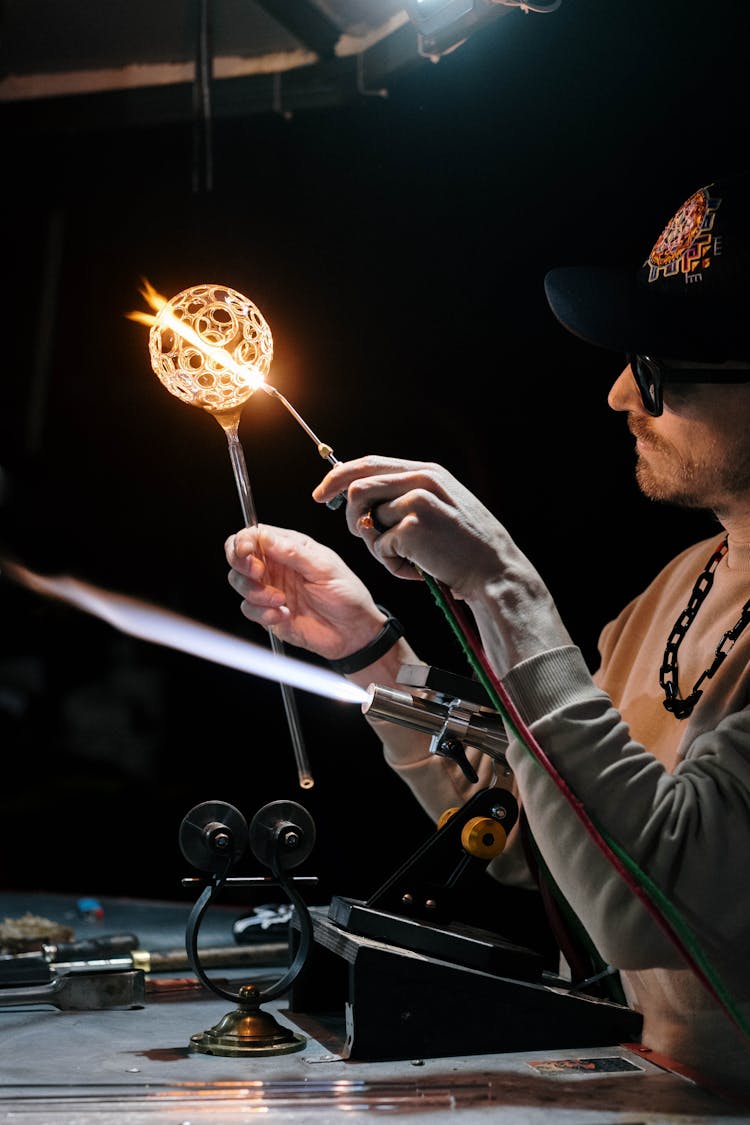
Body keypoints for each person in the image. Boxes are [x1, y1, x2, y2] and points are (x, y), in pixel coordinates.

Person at [225, 172, 750, 1101]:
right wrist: (374, 658)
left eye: (660, 365)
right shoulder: (674, 591)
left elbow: (647, 897)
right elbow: (540, 837)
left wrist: (504, 589)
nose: (622, 392)